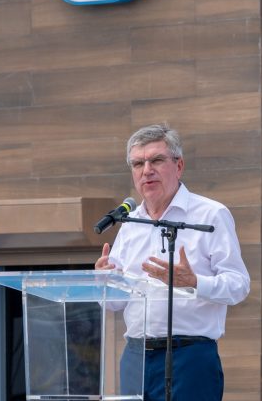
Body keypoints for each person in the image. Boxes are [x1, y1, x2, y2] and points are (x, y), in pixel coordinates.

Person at [94, 124, 250, 401]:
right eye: (138, 163)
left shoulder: (210, 215)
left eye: (156, 160)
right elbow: (113, 304)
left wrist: (194, 282)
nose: (146, 170)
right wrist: (105, 281)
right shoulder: (129, 223)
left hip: (189, 356)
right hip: (135, 356)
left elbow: (238, 286)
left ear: (179, 166)